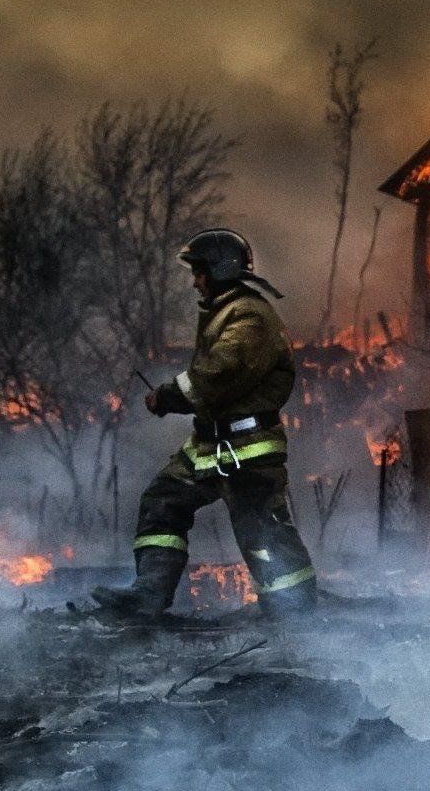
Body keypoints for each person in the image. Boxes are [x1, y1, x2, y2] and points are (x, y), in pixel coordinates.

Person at [90, 229, 318, 617]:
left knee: (262, 530)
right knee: (162, 501)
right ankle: (149, 596)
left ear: (219, 269)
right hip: (210, 446)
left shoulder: (249, 315)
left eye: (199, 271)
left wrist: (167, 397)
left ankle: (295, 615)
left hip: (247, 447)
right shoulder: (226, 311)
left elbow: (220, 373)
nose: (195, 280)